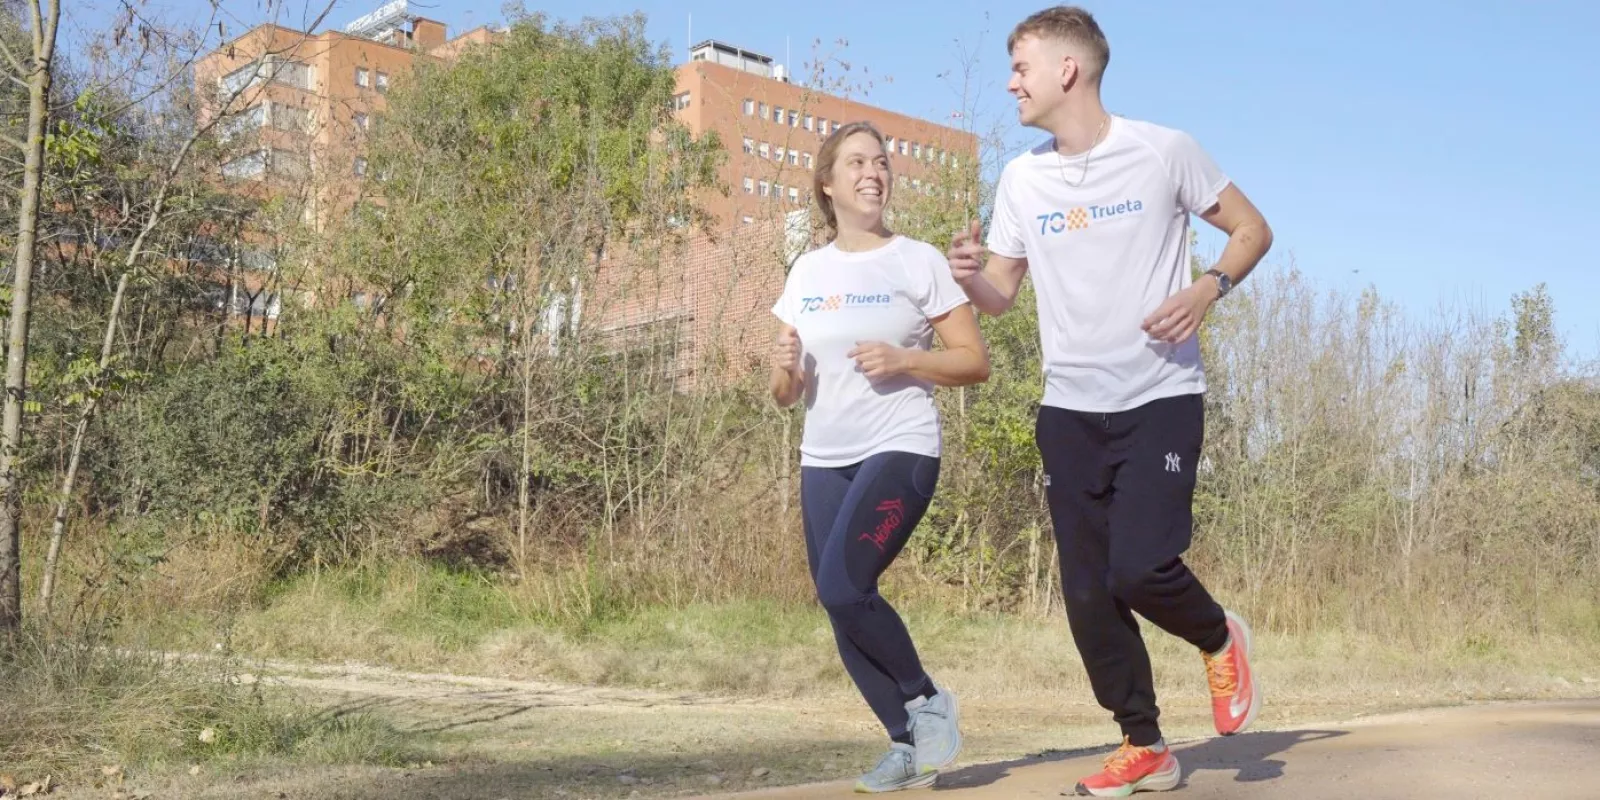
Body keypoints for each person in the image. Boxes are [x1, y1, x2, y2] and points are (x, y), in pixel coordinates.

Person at [946, 6, 1274, 796]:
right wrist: (966, 276)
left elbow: (1253, 230)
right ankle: (1146, 745)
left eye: (1020, 66)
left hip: (1160, 393)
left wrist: (1208, 286)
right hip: (1069, 409)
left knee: (1139, 567)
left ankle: (1216, 634)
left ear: (1069, 69)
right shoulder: (1023, 177)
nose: (1010, 82)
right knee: (1087, 590)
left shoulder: (1164, 151)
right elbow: (1001, 290)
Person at [770, 120, 992, 793]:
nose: (874, 172)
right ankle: (905, 744)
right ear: (828, 184)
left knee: (844, 584)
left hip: (900, 443)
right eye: (858, 162)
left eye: (883, 162)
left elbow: (974, 361)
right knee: (839, 603)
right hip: (822, 454)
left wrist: (906, 359)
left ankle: (927, 702)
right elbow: (784, 393)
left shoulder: (915, 259)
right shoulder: (806, 270)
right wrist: (782, 370)